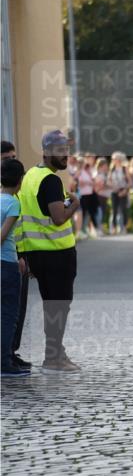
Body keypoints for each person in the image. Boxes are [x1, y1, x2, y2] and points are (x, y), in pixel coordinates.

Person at [20, 130, 81, 371]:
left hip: (37, 253)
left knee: (51, 305)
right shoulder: (51, 180)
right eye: (60, 150)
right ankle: (53, 358)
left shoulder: (30, 176)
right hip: (57, 254)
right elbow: (58, 218)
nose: (65, 155)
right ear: (46, 152)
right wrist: (74, 205)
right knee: (59, 307)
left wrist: (24, 254)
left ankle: (55, 353)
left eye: (66, 150)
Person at [1, 158, 29, 377]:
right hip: (7, 265)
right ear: (20, 181)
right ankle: (4, 362)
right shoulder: (13, 203)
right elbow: (3, 236)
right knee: (9, 315)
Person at [109, 152, 131, 235]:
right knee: (114, 210)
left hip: (123, 190)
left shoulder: (124, 169)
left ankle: (124, 227)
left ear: (119, 159)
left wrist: (125, 190)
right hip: (114, 191)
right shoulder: (112, 169)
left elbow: (130, 182)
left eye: (115, 159)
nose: (113, 160)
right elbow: (109, 181)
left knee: (123, 209)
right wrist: (112, 186)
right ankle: (114, 228)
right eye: (113, 159)